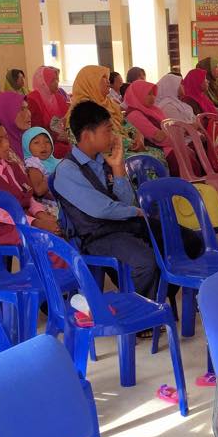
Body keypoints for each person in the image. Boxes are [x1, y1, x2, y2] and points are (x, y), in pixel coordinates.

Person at [52, 101, 164, 297]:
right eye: (108, 130)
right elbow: (101, 209)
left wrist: (118, 167)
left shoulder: (103, 161)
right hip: (96, 235)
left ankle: (156, 298)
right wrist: (135, 212)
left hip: (121, 226)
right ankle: (136, 308)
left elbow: (126, 201)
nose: (113, 136)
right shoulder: (67, 170)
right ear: (87, 135)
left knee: (179, 239)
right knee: (146, 262)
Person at [0, 116, 59, 244]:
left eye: (6, 138)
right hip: (1, 228)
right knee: (49, 242)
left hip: (24, 220)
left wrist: (41, 214)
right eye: (0, 141)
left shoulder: (12, 166)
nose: (7, 144)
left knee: (63, 228)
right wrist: (36, 223)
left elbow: (28, 196)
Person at [65, 65, 130, 152]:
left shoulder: (109, 103)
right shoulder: (80, 111)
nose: (108, 81)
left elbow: (125, 125)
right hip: (105, 156)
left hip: (124, 149)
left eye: (107, 77)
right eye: (103, 77)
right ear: (90, 82)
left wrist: (138, 135)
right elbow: (85, 146)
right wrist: (127, 143)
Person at [26, 66, 70, 158]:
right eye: (53, 80)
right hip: (44, 144)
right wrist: (57, 136)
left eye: (57, 80)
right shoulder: (33, 100)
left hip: (64, 140)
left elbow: (67, 121)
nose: (57, 83)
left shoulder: (58, 98)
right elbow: (35, 130)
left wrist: (70, 137)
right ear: (43, 83)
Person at [122, 80, 171, 163]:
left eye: (153, 94)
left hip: (168, 145)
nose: (153, 97)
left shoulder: (154, 109)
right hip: (158, 152)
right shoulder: (134, 115)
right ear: (138, 94)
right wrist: (178, 138)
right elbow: (158, 137)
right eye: (149, 94)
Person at [21, 126, 60, 217]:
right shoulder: (34, 164)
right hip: (51, 205)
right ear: (27, 147)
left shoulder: (56, 162)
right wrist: (57, 173)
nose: (43, 146)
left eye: (47, 141)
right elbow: (39, 190)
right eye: (36, 142)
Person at [0, 92, 32, 161]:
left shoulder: (26, 137)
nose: (29, 114)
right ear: (5, 113)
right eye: (21, 109)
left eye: (27, 108)